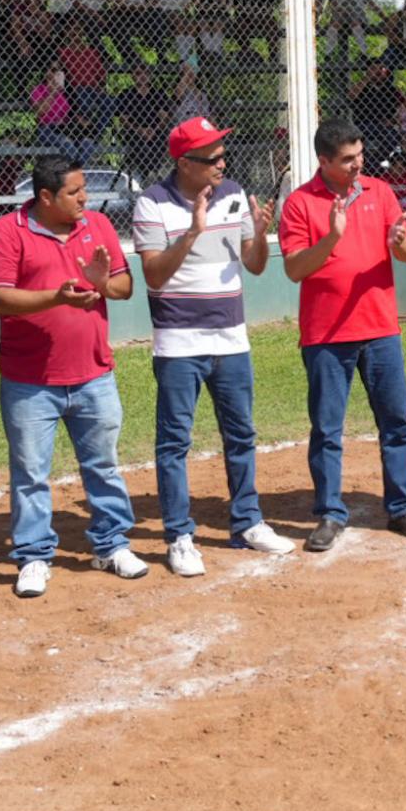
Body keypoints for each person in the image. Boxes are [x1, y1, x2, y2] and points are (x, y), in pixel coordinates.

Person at [133, 117, 293, 575]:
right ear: (184, 163)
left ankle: (247, 522)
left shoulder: (236, 194)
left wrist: (262, 233)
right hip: (179, 344)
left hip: (231, 340)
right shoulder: (152, 203)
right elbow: (154, 276)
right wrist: (191, 232)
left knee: (241, 435)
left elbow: (256, 265)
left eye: (224, 154)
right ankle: (180, 536)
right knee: (174, 443)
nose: (223, 163)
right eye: (213, 158)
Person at [0, 155, 144, 598]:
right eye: (74, 193)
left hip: (94, 373)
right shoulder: (5, 232)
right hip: (29, 379)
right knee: (31, 473)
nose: (84, 199)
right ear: (46, 196)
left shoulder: (97, 226)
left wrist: (101, 282)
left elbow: (126, 288)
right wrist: (56, 297)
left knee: (104, 466)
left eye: (83, 190)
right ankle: (34, 556)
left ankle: (112, 545)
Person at [279, 119, 406, 550]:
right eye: (347, 160)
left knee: (396, 423)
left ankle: (402, 507)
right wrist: (332, 238)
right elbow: (294, 269)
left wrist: (400, 241)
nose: (357, 165)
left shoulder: (380, 192)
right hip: (326, 336)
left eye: (360, 155)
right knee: (327, 428)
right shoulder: (299, 203)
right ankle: (330, 513)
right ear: (323, 161)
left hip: (381, 330)